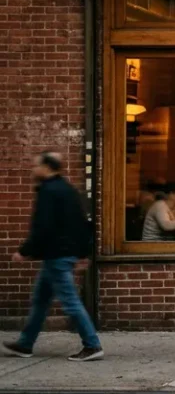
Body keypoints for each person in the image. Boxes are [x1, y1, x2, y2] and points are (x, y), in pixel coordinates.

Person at [3, 152, 102, 362]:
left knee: (70, 302)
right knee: (40, 300)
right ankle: (25, 344)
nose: (33, 169)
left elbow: (43, 227)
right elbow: (82, 224)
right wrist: (83, 253)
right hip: (59, 255)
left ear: (47, 167)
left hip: (57, 256)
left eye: (36, 165)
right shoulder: (67, 189)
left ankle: (92, 345)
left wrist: (25, 250)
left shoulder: (49, 191)